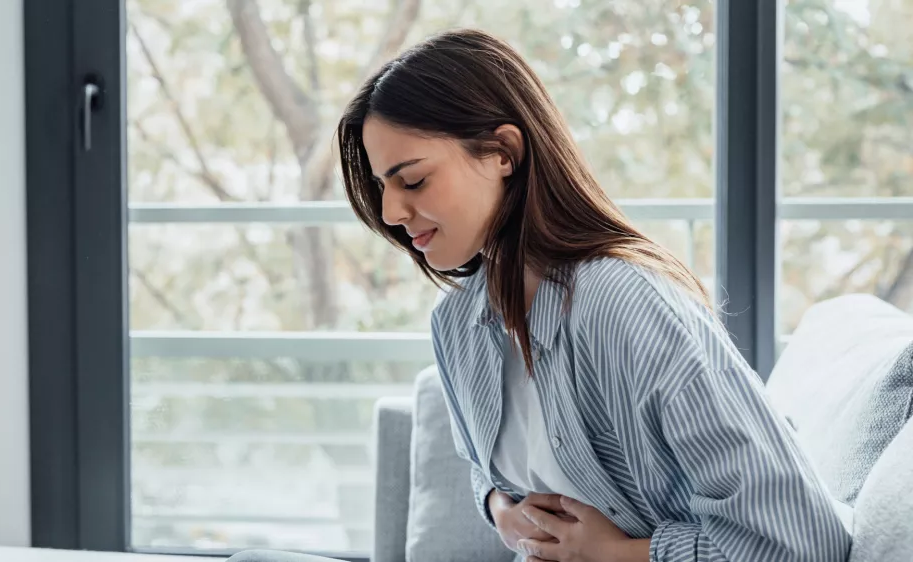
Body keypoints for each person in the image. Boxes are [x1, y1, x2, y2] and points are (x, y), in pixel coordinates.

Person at [228, 28, 851, 562]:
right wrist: (500, 507)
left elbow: (801, 540)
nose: (391, 211)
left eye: (411, 178)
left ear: (503, 151)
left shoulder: (619, 303)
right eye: (382, 186)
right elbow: (490, 469)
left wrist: (620, 554)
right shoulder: (460, 322)